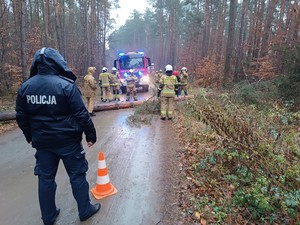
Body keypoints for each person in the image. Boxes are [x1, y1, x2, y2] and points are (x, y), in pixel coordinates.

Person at [15, 47, 100, 225]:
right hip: (68, 142)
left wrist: (29, 135)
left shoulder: (26, 87)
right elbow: (81, 114)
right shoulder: (66, 86)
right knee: (77, 175)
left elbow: (21, 116)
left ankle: (48, 216)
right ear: (57, 62)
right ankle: (85, 210)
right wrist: (90, 135)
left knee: (45, 178)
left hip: (43, 142)